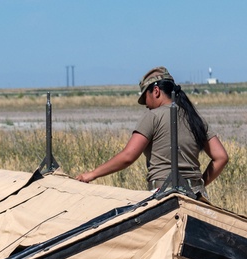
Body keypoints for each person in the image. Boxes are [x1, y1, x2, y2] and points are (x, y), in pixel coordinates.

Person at [76, 66, 228, 192]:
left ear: (156, 91)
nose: (146, 105)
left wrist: (92, 174)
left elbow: (128, 156)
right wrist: (198, 185)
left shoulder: (152, 116)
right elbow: (221, 157)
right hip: (197, 196)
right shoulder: (195, 118)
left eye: (145, 98)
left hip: (164, 194)